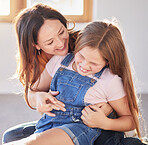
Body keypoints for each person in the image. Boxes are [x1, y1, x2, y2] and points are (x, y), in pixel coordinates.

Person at [2, 3, 146, 145]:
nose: (60, 43)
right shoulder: (57, 61)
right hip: (54, 123)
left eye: (61, 32)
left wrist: (107, 117)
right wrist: (37, 97)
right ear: (36, 45)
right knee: (11, 136)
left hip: (85, 126)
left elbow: (128, 115)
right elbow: (32, 90)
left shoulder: (90, 45)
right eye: (50, 42)